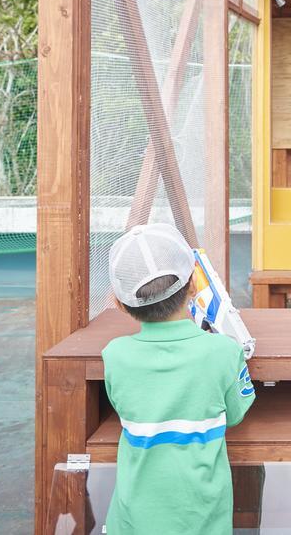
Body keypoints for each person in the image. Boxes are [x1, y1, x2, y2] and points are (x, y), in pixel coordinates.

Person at [102, 223, 255, 534]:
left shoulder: (114, 355)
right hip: (204, 521)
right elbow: (236, 414)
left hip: (132, 521)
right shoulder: (223, 351)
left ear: (119, 303)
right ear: (194, 287)